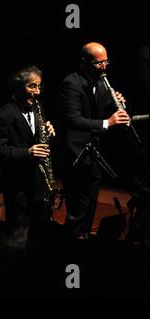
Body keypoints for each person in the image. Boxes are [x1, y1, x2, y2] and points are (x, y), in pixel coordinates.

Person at [59, 42, 130, 239]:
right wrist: (108, 122)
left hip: (94, 153)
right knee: (78, 206)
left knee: (91, 201)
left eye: (106, 61)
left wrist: (116, 102)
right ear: (85, 62)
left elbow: (100, 108)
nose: (104, 66)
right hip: (75, 153)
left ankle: (84, 241)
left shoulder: (100, 82)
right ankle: (70, 248)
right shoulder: (71, 83)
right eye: (99, 63)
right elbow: (73, 119)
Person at [0, 65, 56, 247]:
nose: (37, 92)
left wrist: (46, 130)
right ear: (19, 88)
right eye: (32, 87)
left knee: (37, 231)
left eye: (39, 87)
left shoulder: (36, 108)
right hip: (18, 185)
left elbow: (34, 135)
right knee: (17, 236)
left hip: (37, 182)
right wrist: (27, 152)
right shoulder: (4, 115)